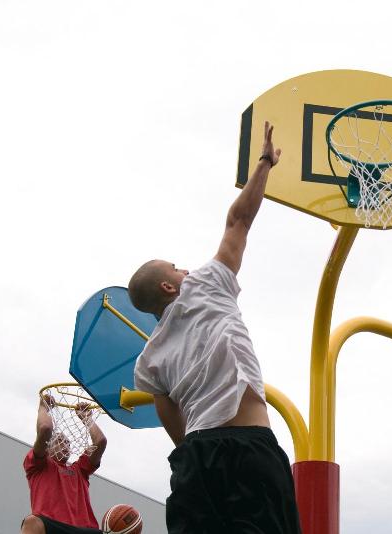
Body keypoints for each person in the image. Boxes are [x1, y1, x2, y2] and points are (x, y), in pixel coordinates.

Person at [128, 121, 301, 534]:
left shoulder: (148, 362)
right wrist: (264, 163)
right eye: (176, 267)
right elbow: (238, 221)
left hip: (196, 461)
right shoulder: (206, 284)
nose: (186, 267)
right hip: (248, 449)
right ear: (171, 286)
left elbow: (178, 431)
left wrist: (202, 460)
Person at [21, 394, 107, 534]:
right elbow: (45, 429)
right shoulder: (37, 465)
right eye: (60, 440)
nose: (65, 444)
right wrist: (43, 408)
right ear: (48, 447)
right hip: (53, 526)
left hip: (84, 529)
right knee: (32, 522)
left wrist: (87, 418)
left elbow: (100, 442)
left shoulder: (80, 469)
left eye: (67, 443)